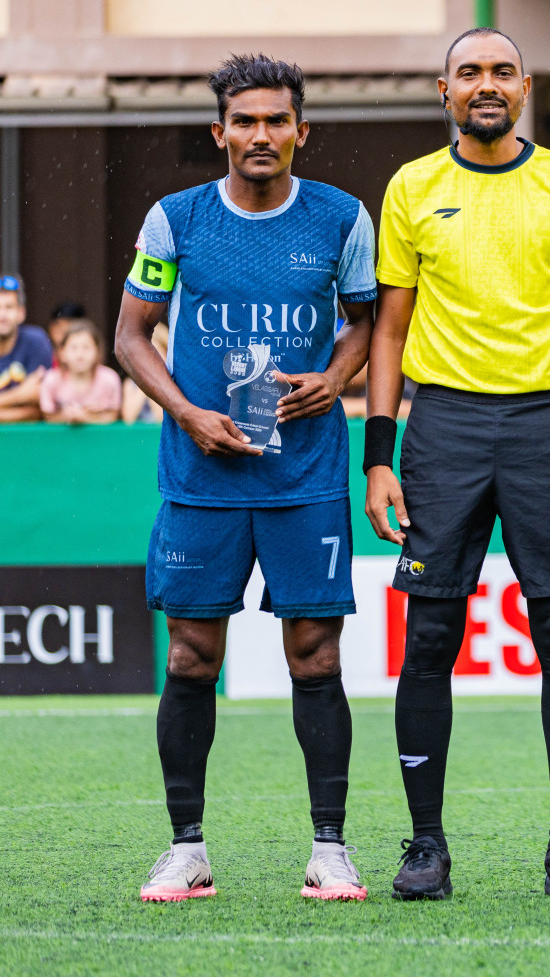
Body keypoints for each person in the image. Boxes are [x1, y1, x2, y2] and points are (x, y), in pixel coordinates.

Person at [365, 27, 550, 902]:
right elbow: (390, 332)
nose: (486, 84)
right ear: (444, 91)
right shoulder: (412, 187)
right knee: (430, 635)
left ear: (525, 87)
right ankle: (424, 846)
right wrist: (380, 456)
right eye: (469, 72)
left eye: (501, 72)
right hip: (441, 428)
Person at [115, 54, 376, 903]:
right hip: (201, 476)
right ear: (219, 131)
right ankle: (185, 848)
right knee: (192, 656)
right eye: (245, 121)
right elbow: (130, 337)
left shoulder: (341, 219)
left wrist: (336, 378)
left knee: (315, 654)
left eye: (277, 121)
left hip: (305, 475)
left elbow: (367, 325)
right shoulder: (174, 220)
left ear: (302, 130)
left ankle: (330, 849)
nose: (260, 136)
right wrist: (187, 412)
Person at [40, 320, 121, 424]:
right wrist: (66, 416)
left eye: (86, 348)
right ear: (62, 353)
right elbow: (48, 416)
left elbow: (113, 415)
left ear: (97, 352)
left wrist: (85, 418)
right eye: (74, 348)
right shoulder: (51, 379)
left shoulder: (110, 379)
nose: (80, 355)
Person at [0, 274, 52, 422]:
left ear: (21, 313)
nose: (2, 315)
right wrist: (20, 395)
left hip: (28, 441)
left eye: (9, 307)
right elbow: (27, 402)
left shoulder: (36, 341)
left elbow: (37, 410)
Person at [122, 323, 170, 423]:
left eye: (156, 352)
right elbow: (128, 418)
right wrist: (145, 379)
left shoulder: (173, 383)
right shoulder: (130, 384)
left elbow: (160, 417)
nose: (151, 359)